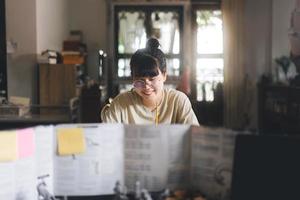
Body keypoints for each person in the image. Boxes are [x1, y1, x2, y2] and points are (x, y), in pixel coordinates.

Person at [101, 38, 199, 125]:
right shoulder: (120, 104)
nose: (147, 86)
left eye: (152, 79)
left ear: (164, 75)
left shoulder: (178, 101)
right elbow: (105, 139)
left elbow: (195, 139)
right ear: (133, 78)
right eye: (140, 80)